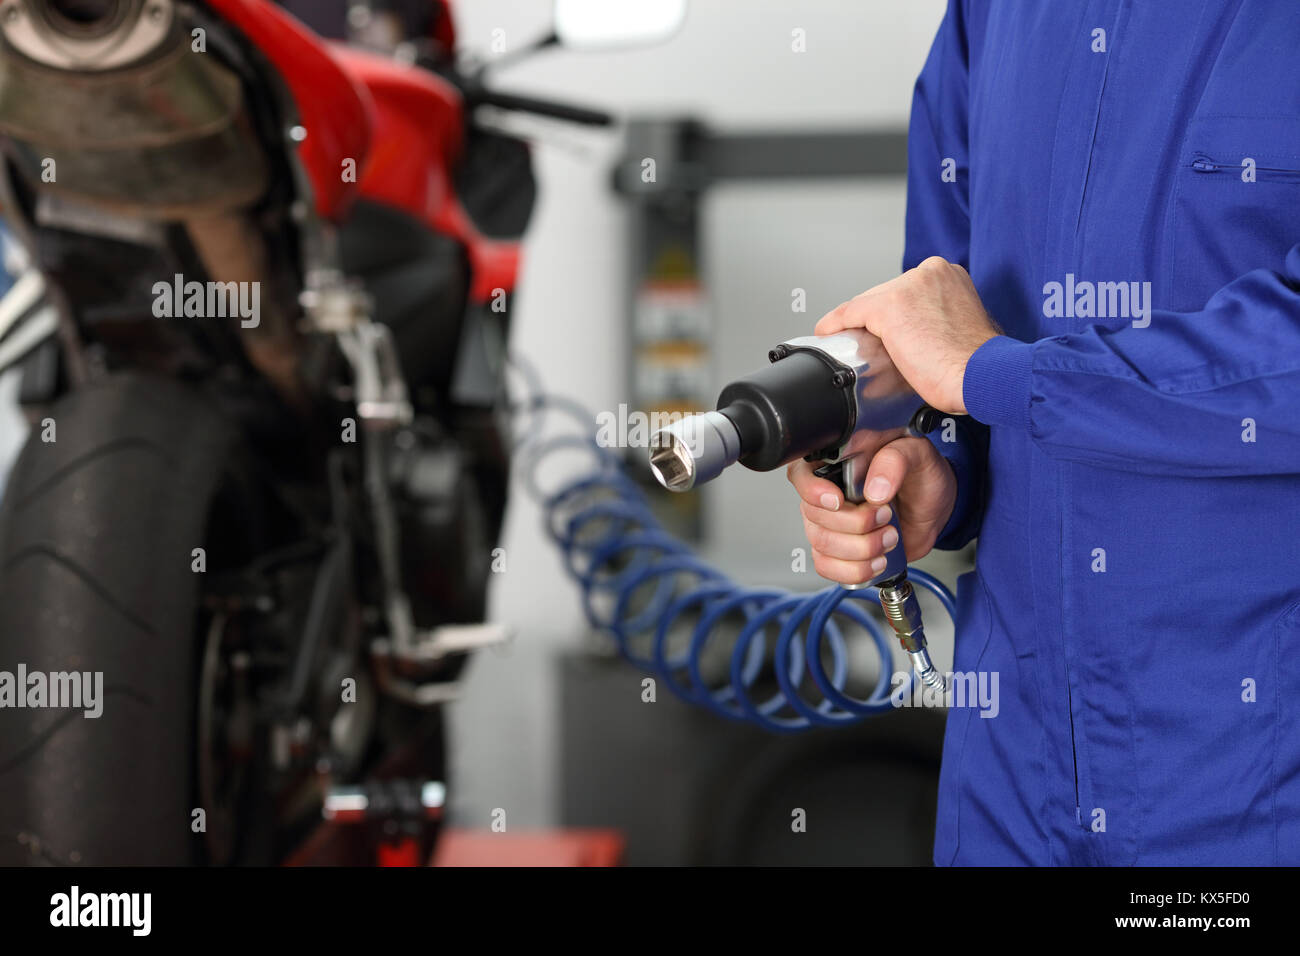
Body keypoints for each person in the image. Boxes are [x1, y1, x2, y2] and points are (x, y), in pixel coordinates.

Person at [790, 0, 1300, 865]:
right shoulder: (992, 14)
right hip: (1014, 772)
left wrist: (1005, 376)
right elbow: (946, 319)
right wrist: (936, 473)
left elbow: (980, 360)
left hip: (1255, 775)